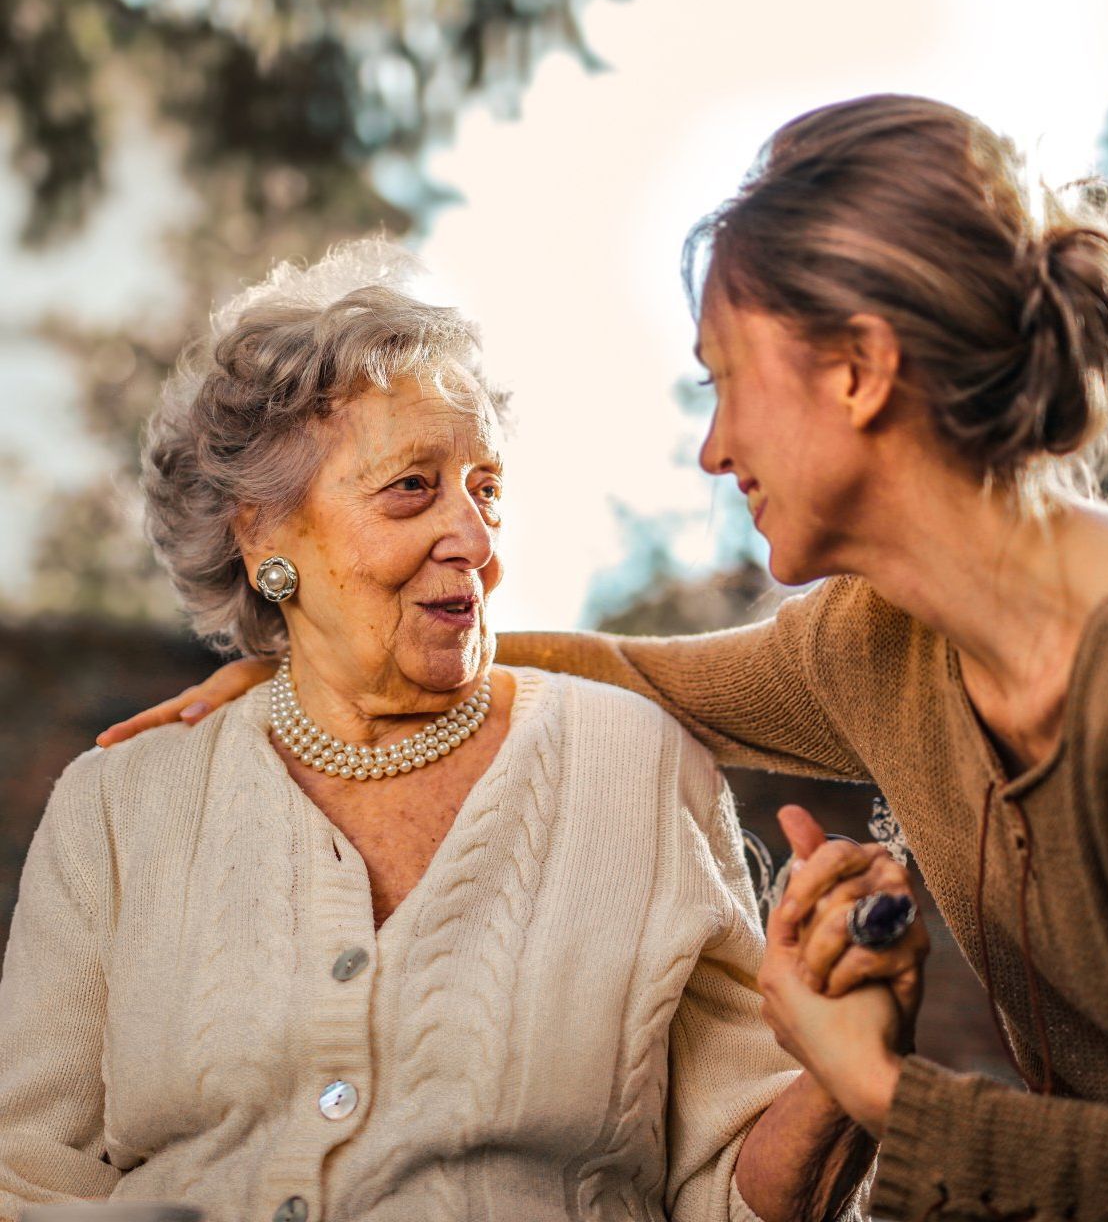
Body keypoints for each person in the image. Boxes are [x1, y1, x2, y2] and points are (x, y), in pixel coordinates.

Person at [104, 95, 1108, 1220]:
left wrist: (882, 1094)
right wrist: (323, 657)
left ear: (859, 370)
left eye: (725, 380)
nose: (713, 448)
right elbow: (635, 672)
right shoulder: (877, 642)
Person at [0, 240, 891, 1222]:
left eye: (487, 489)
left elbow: (732, 1193)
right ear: (263, 537)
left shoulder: (636, 767)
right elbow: (27, 1174)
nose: (473, 539)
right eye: (411, 488)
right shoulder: (120, 803)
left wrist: (837, 1073)